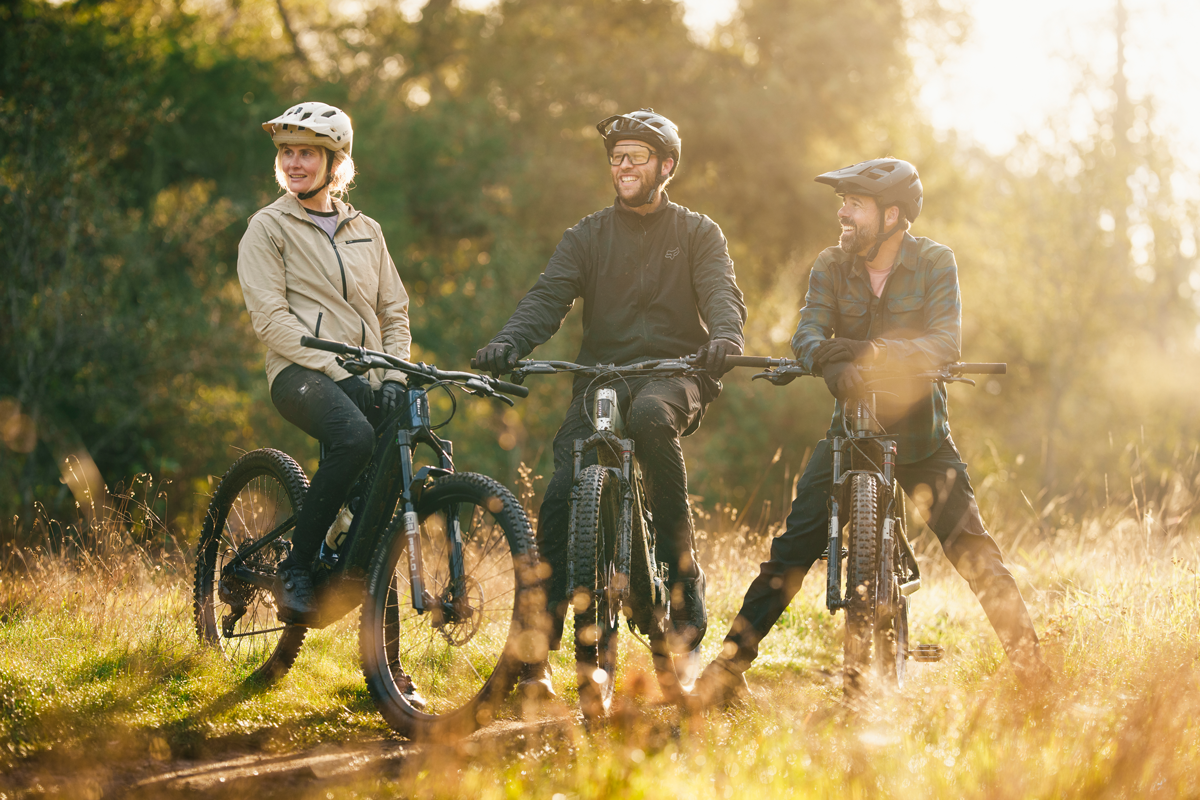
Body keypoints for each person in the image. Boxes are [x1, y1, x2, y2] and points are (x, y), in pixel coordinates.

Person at [694, 158, 1050, 704]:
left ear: (891, 215)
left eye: (854, 204)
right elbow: (807, 332)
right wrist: (831, 363)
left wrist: (870, 350)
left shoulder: (935, 262)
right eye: (844, 203)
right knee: (790, 551)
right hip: (851, 433)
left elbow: (943, 343)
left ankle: (1037, 680)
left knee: (977, 555)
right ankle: (725, 672)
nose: (842, 213)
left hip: (922, 439)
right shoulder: (831, 265)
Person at [475, 108, 747, 697]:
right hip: (601, 376)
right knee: (560, 490)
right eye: (616, 157)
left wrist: (725, 336)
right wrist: (508, 342)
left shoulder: (699, 233)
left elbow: (722, 293)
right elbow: (547, 299)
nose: (623, 166)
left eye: (637, 157)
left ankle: (682, 584)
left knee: (651, 417)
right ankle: (537, 656)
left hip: (676, 374)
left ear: (666, 166)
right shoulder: (588, 235)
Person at [237, 102, 411, 631]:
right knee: (355, 439)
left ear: (335, 164)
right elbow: (272, 323)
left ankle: (389, 666)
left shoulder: (368, 230)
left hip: (368, 376)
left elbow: (394, 311)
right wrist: (339, 369)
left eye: (306, 154)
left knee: (386, 495)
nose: (293, 163)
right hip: (299, 373)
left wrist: (396, 375)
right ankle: (295, 567)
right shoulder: (268, 228)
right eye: (287, 153)